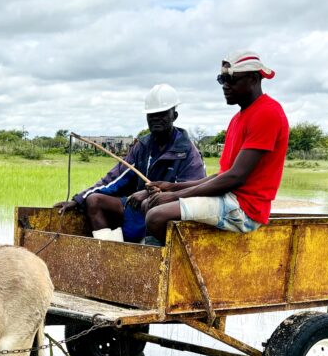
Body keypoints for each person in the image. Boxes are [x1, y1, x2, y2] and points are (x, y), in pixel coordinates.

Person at [141, 51, 289, 245]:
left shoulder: (267, 113)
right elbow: (223, 174)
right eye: (222, 80)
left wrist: (174, 196)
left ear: (253, 79)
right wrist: (172, 187)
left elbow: (235, 177)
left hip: (244, 208)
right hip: (229, 199)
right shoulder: (238, 119)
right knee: (148, 204)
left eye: (230, 80)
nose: (225, 86)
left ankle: (182, 267)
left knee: (156, 216)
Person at [54, 84, 205, 242]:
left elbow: (191, 192)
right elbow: (114, 178)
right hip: (138, 208)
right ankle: (110, 251)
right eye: (151, 115)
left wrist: (148, 194)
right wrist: (78, 200)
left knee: (155, 219)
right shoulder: (143, 146)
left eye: (162, 114)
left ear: (174, 116)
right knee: (94, 200)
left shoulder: (187, 152)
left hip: (164, 216)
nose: (155, 119)